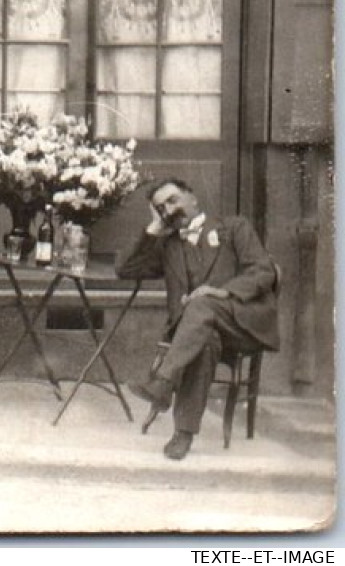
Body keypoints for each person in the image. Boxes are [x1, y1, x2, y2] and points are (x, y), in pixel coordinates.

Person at [118, 178, 279, 461]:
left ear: (192, 197)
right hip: (198, 335)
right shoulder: (169, 246)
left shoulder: (234, 228)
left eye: (172, 200)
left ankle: (162, 382)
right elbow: (126, 269)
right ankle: (184, 433)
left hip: (240, 322)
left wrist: (221, 292)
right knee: (204, 340)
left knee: (202, 302)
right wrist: (155, 227)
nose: (169, 210)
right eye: (161, 208)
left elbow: (264, 271)